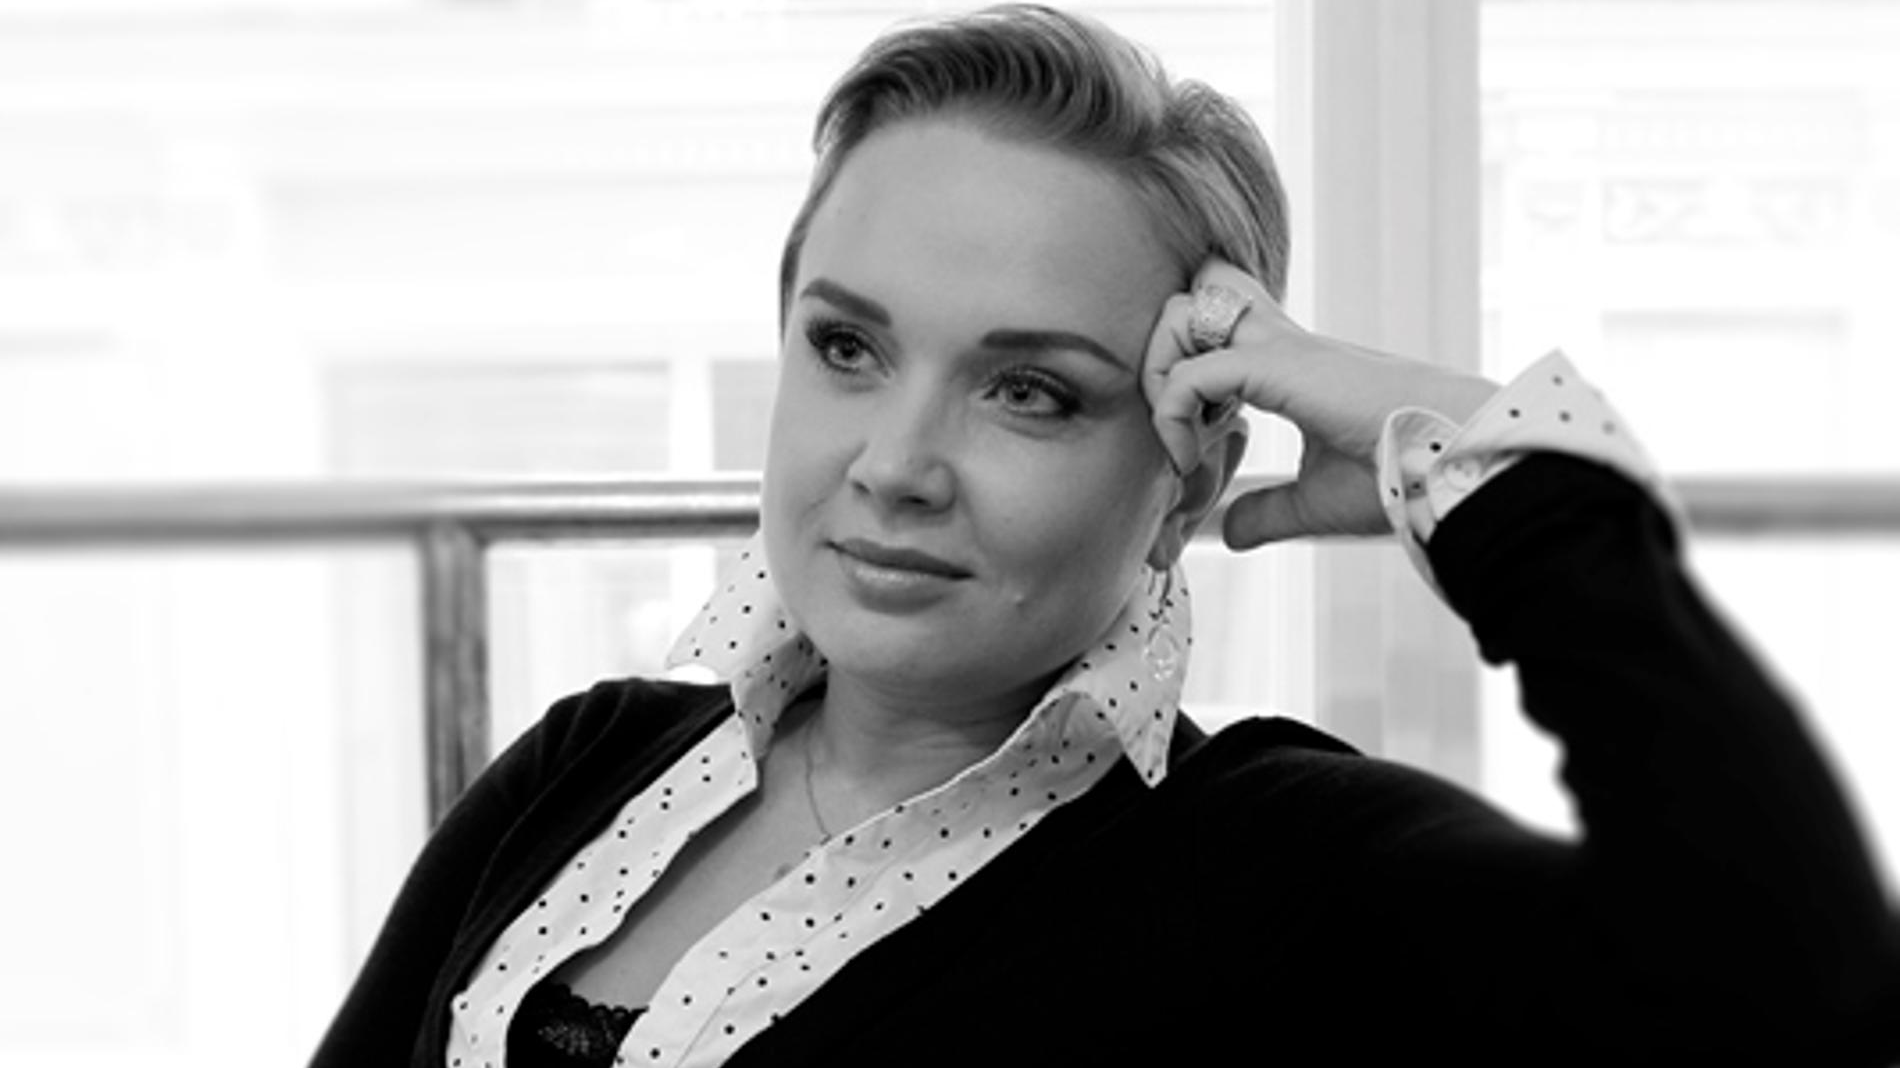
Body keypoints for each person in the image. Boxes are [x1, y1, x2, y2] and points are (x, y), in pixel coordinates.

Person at [310, 5, 1900, 1066]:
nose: (897, 467)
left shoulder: (1286, 876)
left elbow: (1806, 984)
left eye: (1031, 393)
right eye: (848, 348)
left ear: (1187, 482)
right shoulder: (587, 767)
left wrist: (1487, 469)